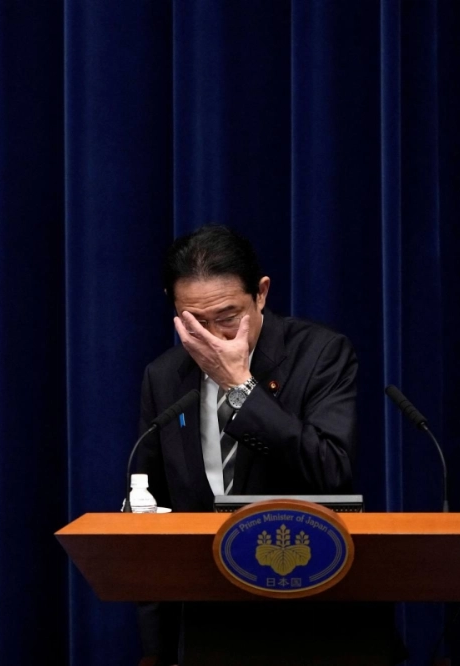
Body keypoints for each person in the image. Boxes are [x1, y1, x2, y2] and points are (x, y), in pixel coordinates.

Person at [135, 225, 399, 665]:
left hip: (316, 620)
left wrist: (240, 386)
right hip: (209, 629)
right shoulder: (164, 377)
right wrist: (156, 652)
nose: (214, 336)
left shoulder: (321, 354)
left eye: (227, 316)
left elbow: (330, 469)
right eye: (195, 322)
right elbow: (151, 519)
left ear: (261, 294)